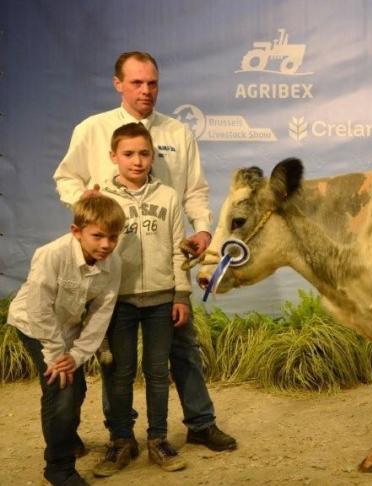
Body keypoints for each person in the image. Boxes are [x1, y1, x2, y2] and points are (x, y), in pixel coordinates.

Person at [53, 51, 236, 454]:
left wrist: (202, 228)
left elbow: (195, 190)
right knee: (113, 361)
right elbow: (66, 177)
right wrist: (85, 202)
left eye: (152, 83)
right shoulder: (93, 129)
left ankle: (200, 423)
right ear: (118, 83)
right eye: (136, 82)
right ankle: (116, 436)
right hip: (111, 267)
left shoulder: (177, 133)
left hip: (163, 263)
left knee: (181, 346)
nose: (146, 90)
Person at [92, 122, 192, 475]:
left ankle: (158, 440)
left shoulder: (167, 196)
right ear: (113, 156)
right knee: (119, 373)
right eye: (129, 154)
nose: (137, 161)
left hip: (162, 299)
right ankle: (121, 441)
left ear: (154, 156)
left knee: (157, 373)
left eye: (144, 153)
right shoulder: (101, 198)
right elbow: (92, 251)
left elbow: (181, 251)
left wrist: (181, 293)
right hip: (118, 300)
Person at [8, 196, 125, 486]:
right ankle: (59, 467)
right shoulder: (52, 255)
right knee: (61, 387)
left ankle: (67, 436)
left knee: (77, 386)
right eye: (97, 236)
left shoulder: (114, 264)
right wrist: (58, 355)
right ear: (77, 231)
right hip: (34, 326)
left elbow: (101, 314)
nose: (105, 245)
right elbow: (38, 308)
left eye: (112, 237)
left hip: (68, 329)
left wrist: (78, 355)